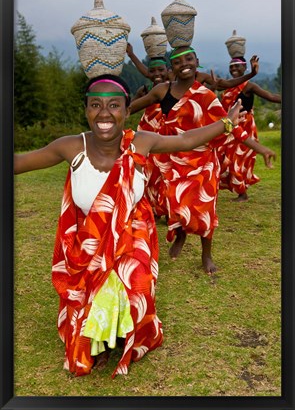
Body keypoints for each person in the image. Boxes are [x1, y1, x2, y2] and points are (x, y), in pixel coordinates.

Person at [14, 73, 248, 378]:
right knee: (94, 289)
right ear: (85, 110)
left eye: (114, 105)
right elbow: (20, 161)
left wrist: (226, 122)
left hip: (132, 231)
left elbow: (186, 139)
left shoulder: (141, 141)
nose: (104, 113)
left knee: (134, 280)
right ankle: (99, 341)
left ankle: (124, 331)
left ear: (127, 110)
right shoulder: (71, 146)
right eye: (95, 105)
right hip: (88, 238)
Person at [129, 46, 276, 274]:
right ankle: (180, 235)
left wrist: (261, 148)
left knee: (205, 208)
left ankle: (206, 254)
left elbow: (231, 127)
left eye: (189, 59)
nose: (184, 64)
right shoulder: (161, 90)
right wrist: (111, 111)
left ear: (197, 61)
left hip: (203, 162)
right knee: (175, 205)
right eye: (178, 61)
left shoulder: (206, 95)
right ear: (172, 67)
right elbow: (132, 107)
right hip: (172, 161)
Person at [216, 56, 281, 202]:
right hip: (229, 126)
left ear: (245, 68)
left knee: (238, 160)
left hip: (245, 126)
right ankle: (238, 189)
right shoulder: (227, 86)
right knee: (225, 158)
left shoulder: (249, 86)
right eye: (231, 66)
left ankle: (242, 192)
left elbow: (270, 96)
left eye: (237, 66)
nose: (233, 69)